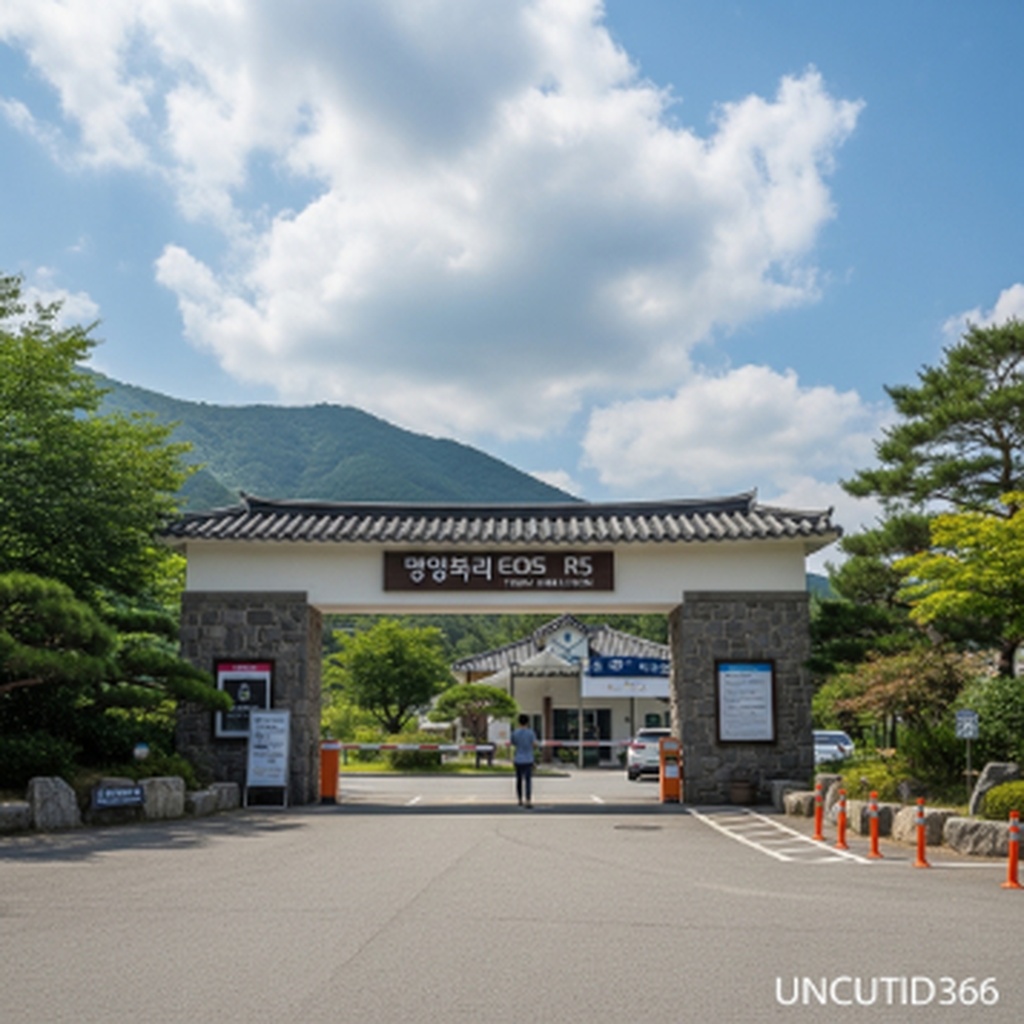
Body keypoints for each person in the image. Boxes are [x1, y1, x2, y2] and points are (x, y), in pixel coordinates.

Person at [510, 713, 538, 808]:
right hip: (528, 759)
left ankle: (520, 799)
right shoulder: (531, 733)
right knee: (528, 780)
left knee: (519, 780)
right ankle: (528, 800)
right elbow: (534, 744)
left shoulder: (515, 733)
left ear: (519, 722)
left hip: (518, 759)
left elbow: (513, 743)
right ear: (528, 722)